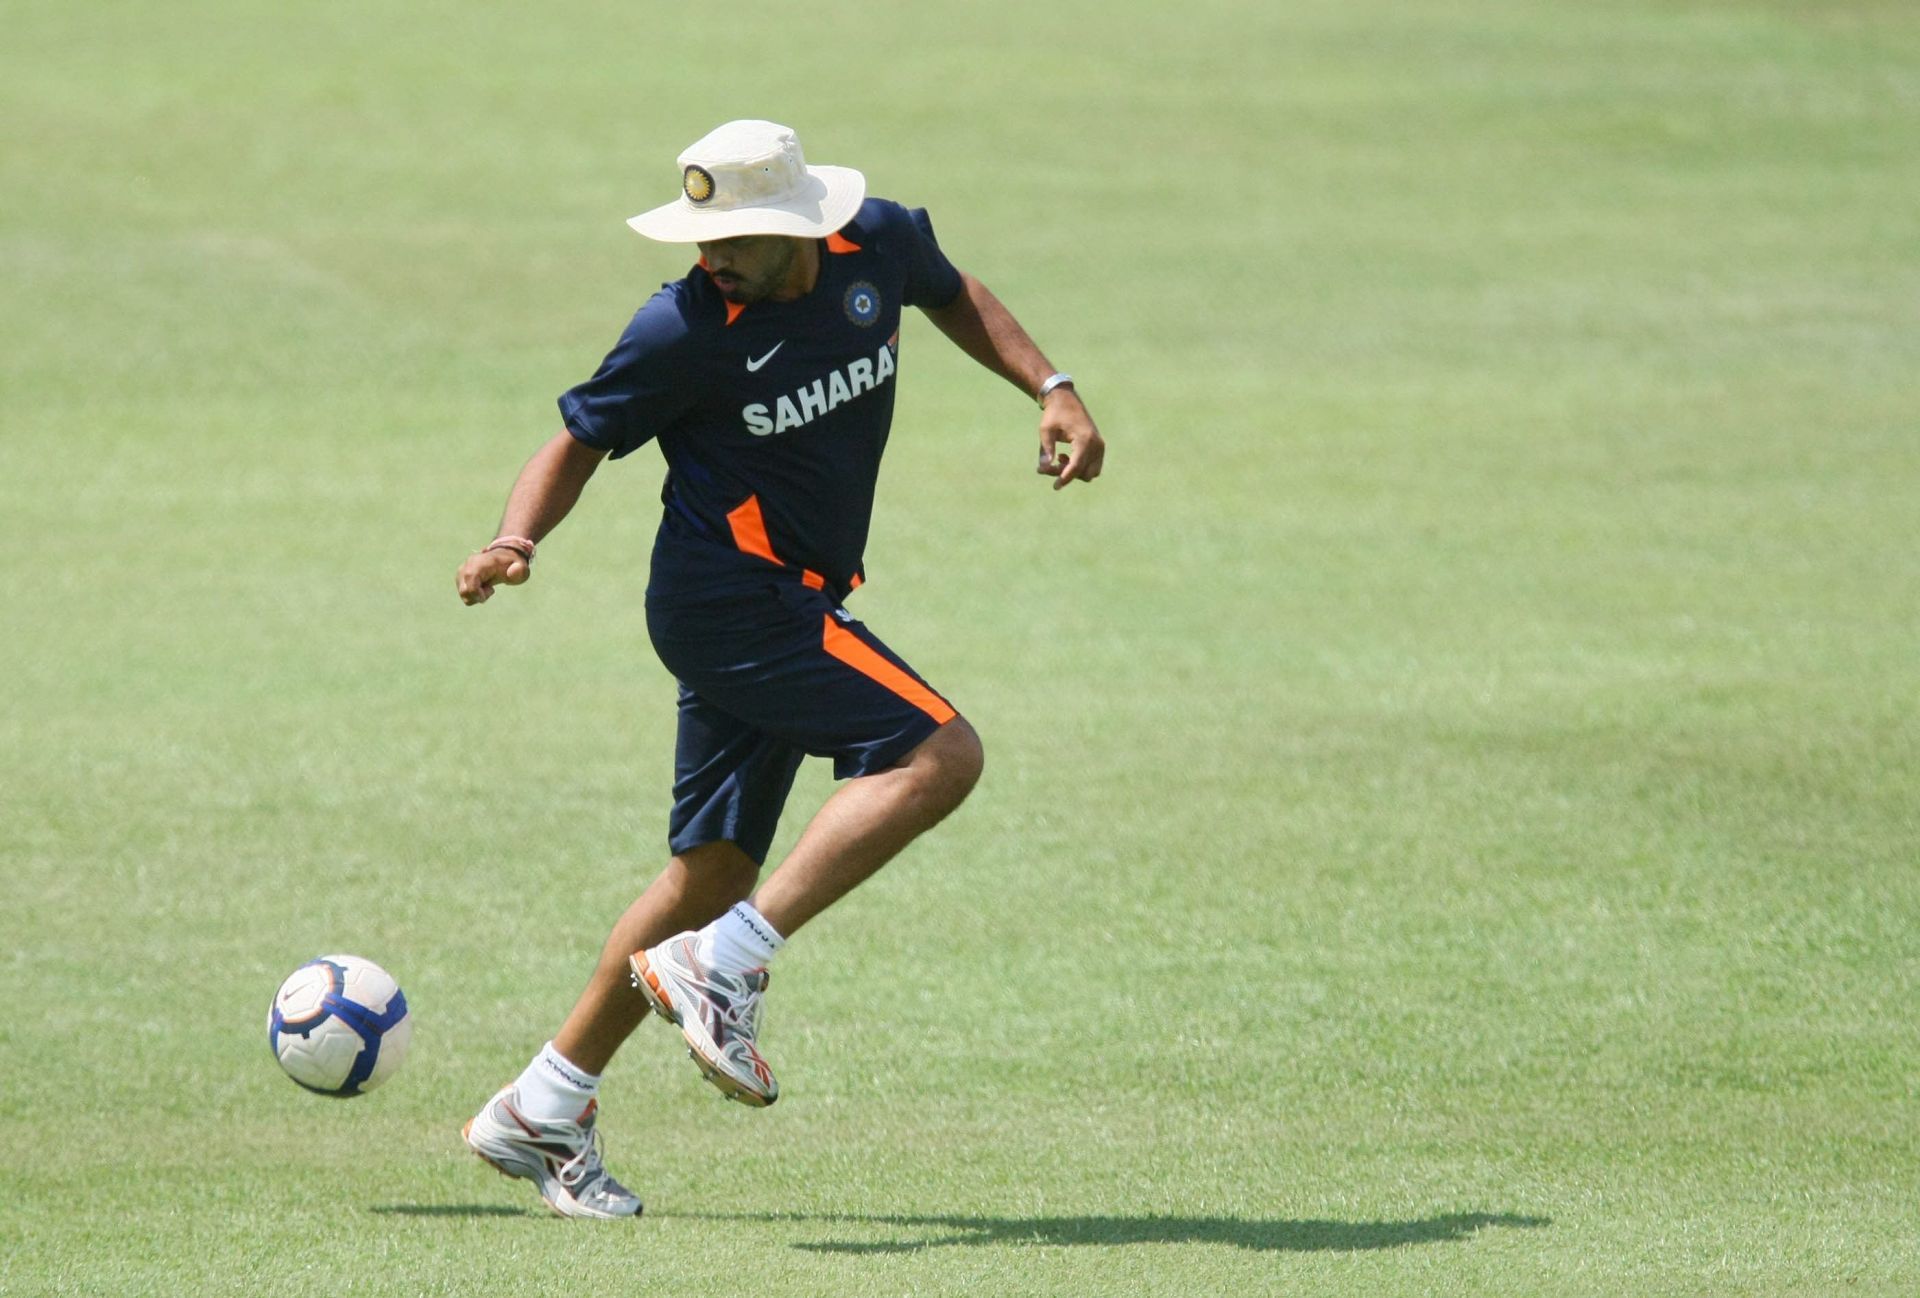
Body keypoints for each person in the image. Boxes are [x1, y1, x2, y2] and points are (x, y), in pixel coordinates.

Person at [454, 120, 1104, 1219]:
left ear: (798, 227)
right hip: (733, 602)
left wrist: (1052, 383)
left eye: (737, 238)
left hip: (782, 598)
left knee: (708, 871)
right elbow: (578, 438)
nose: (713, 255)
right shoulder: (681, 328)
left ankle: (545, 1101)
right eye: (703, 235)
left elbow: (953, 291)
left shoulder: (877, 246)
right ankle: (731, 961)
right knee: (939, 753)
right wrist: (518, 537)